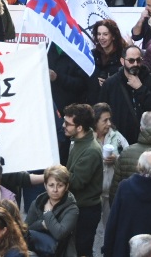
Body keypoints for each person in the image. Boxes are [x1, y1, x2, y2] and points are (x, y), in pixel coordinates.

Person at [104, 152, 151, 257]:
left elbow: (112, 222)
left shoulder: (124, 187)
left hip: (123, 250)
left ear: (139, 166)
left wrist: (107, 250)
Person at [61, 104, 103, 257]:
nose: (63, 126)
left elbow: (76, 182)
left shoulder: (91, 150)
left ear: (79, 128)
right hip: (77, 207)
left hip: (86, 211)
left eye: (67, 123)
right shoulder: (77, 141)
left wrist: (57, 173)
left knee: (82, 250)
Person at [100, 47, 151, 145]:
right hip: (119, 139)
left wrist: (140, 88)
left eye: (138, 60)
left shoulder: (150, 80)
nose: (135, 64)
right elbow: (102, 111)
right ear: (122, 61)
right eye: (131, 61)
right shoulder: (111, 84)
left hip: (144, 139)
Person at [24, 165, 78, 257]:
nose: (55, 190)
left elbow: (59, 233)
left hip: (62, 252)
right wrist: (43, 224)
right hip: (37, 250)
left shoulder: (72, 208)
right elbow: (26, 228)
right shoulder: (37, 202)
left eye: (60, 185)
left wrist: (48, 213)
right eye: (51, 185)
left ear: (66, 186)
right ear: (45, 185)